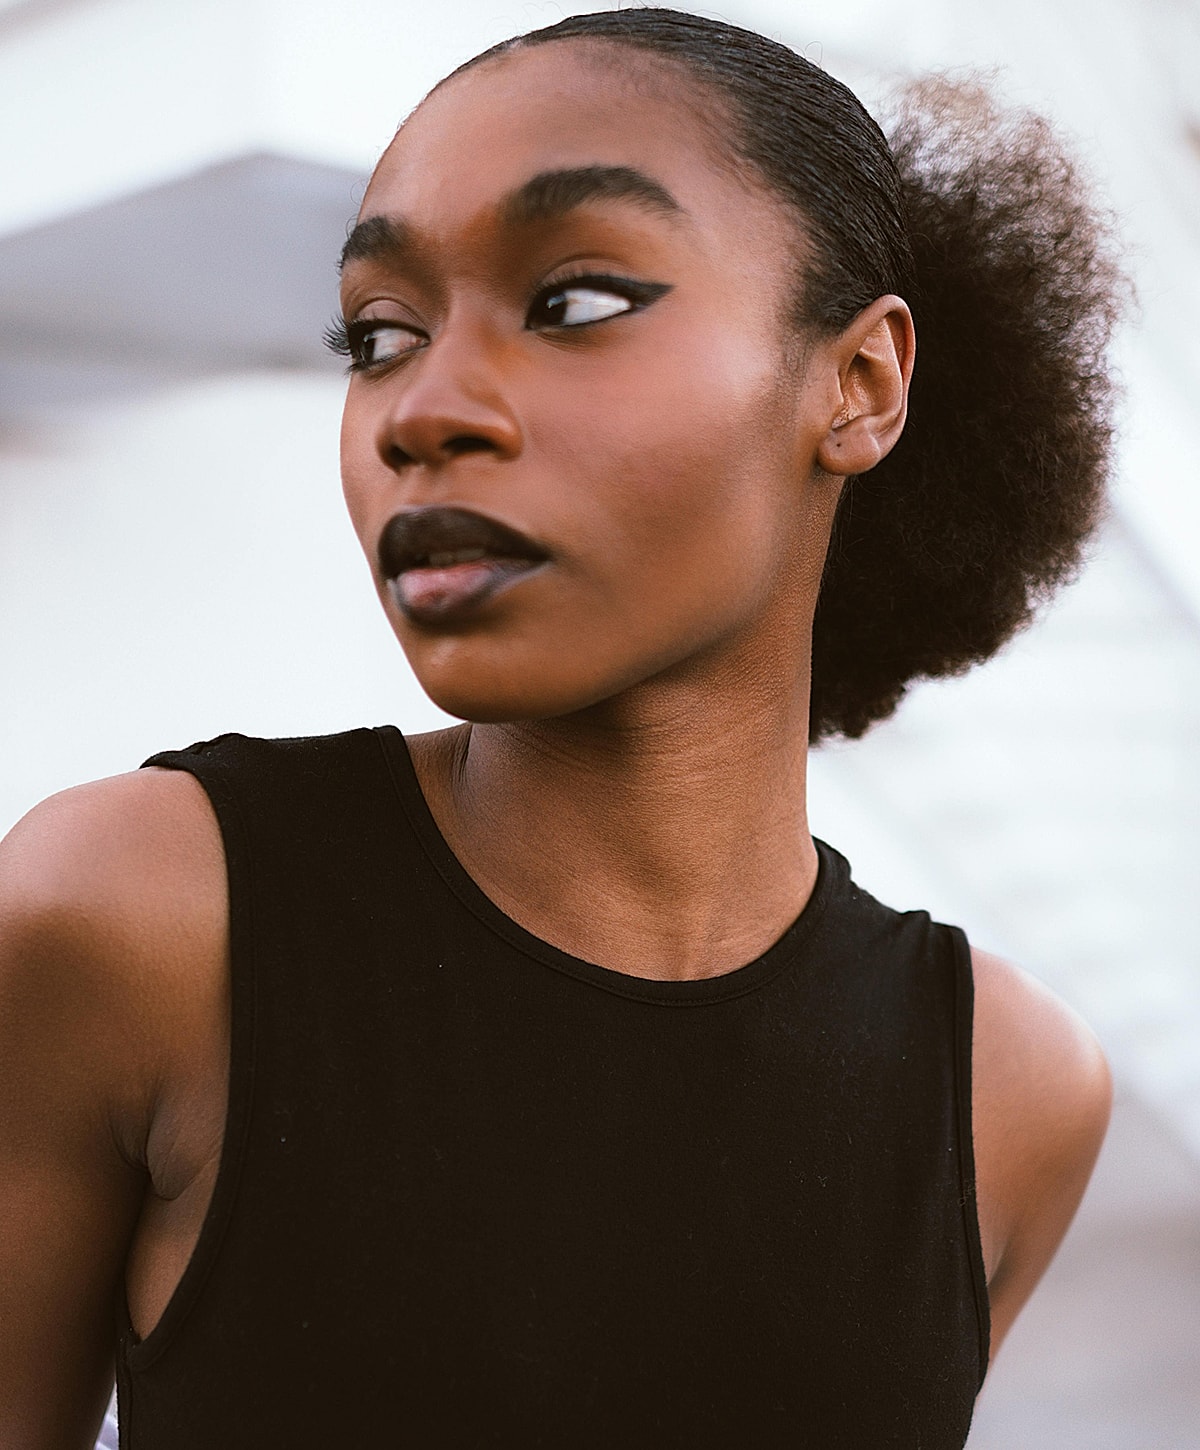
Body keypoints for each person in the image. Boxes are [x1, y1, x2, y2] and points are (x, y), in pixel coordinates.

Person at [0, 9, 1125, 1447]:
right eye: (380, 335)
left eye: (576, 302)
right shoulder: (139, 923)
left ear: (860, 383)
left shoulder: (1004, 1090)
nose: (422, 413)